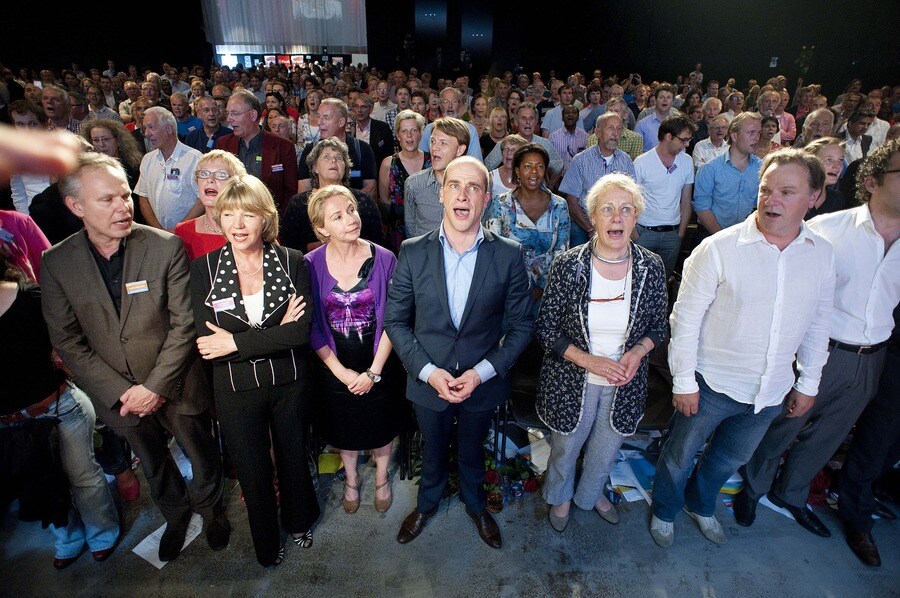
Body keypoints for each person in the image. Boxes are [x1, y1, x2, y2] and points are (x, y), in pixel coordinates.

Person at [41, 153, 229, 563]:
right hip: (119, 397)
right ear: (76, 207)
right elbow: (68, 341)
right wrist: (125, 392)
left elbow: (185, 324)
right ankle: (176, 516)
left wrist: (154, 387)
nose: (123, 207)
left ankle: (213, 512)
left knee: (201, 454)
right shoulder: (56, 263)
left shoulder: (165, 247)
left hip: (177, 384)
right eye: (107, 200)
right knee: (153, 464)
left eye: (125, 196)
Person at [650, 149, 834, 548]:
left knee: (726, 461)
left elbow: (819, 323)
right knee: (680, 456)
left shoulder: (822, 254)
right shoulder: (718, 248)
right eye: (766, 189)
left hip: (768, 393)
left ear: (815, 198)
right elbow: (684, 320)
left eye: (787, 192)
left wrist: (808, 383)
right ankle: (665, 509)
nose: (772, 201)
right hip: (710, 383)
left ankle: (700, 506)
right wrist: (683, 381)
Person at [736, 140, 900, 560]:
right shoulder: (830, 230)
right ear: (872, 181)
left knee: (827, 437)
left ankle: (791, 495)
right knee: (784, 426)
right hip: (821, 352)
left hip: (873, 357)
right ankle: (752, 491)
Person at [385, 156, 534, 549]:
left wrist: (482, 372)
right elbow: (395, 322)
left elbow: (522, 327)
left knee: (472, 453)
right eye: (455, 185)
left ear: (486, 198)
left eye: (473, 187)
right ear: (441, 192)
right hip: (428, 383)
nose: (463, 194)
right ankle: (426, 505)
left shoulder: (509, 254)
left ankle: (475, 504)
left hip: (481, 386)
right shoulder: (413, 252)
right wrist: (429, 373)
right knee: (432, 453)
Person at [190, 174, 319, 567]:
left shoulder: (293, 261)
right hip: (235, 388)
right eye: (228, 214)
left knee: (294, 456)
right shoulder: (204, 269)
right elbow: (207, 343)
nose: (238, 224)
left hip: (290, 382)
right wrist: (273, 334)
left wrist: (237, 342)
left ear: (266, 218)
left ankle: (299, 521)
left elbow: (300, 333)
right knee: (252, 468)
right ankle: (266, 541)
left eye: (248, 214)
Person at [536, 173, 667, 532]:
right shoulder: (568, 265)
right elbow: (546, 330)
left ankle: (590, 493)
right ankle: (561, 497)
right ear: (592, 217)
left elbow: (659, 327)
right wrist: (588, 360)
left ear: (636, 217)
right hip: (573, 379)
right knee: (566, 448)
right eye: (607, 209)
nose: (617, 217)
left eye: (626, 209)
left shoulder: (650, 267)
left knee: (605, 450)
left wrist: (638, 352)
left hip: (625, 381)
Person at [0, 251, 121, 570]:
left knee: (82, 476)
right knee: (37, 482)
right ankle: (68, 538)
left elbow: (72, 345)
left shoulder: (29, 298)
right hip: (9, 425)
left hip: (57, 408)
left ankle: (102, 532)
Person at [304, 185, 402, 515]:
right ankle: (351, 480)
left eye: (351, 209)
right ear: (321, 229)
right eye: (337, 216)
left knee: (380, 423)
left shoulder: (385, 258)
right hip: (334, 365)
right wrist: (341, 373)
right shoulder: (309, 264)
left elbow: (394, 317)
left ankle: (382, 478)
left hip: (380, 360)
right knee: (344, 427)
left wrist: (374, 370)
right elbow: (312, 326)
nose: (350, 218)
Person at [484, 143, 569, 308]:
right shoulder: (501, 204)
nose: (534, 172)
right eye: (527, 166)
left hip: (548, 290)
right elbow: (493, 250)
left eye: (540, 167)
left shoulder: (559, 205)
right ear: (517, 171)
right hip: (509, 289)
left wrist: (542, 289)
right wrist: (517, 289)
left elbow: (562, 254)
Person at [282, 138, 384, 253]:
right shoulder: (299, 203)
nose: (333, 161)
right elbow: (287, 246)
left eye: (339, 158)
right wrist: (315, 248)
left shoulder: (363, 200)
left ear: (345, 167)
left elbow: (379, 242)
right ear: (315, 167)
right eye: (326, 157)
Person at [633, 114, 697, 278]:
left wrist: (680, 234)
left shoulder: (687, 161)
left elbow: (686, 200)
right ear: (669, 137)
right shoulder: (641, 162)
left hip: (672, 234)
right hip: (644, 232)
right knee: (638, 278)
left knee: (664, 280)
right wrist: (635, 235)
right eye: (684, 140)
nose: (687, 144)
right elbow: (631, 200)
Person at [560, 112, 636, 246]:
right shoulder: (580, 160)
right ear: (597, 131)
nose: (615, 133)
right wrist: (591, 228)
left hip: (616, 223)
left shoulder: (626, 161)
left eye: (619, 129)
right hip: (584, 225)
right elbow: (571, 201)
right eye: (610, 128)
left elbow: (632, 198)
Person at [216, 90, 298, 214]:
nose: (229, 119)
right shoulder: (223, 144)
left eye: (234, 114)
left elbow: (290, 192)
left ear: (253, 115)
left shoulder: (283, 146)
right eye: (228, 114)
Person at [692, 112, 763, 236]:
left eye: (758, 133)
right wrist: (722, 238)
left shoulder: (762, 168)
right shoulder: (710, 169)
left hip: (745, 236)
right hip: (712, 235)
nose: (756, 138)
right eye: (751, 132)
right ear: (734, 136)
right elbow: (702, 207)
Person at [134, 106, 204, 231]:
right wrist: (158, 230)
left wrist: (179, 229)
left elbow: (203, 200)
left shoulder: (195, 159)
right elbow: (143, 197)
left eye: (151, 127)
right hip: (159, 236)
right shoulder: (147, 159)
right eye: (145, 128)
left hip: (190, 233)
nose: (146, 134)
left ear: (169, 128)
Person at [174, 150, 247, 260]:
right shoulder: (183, 231)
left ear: (236, 185)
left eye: (221, 175)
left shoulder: (252, 229)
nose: (210, 180)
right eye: (204, 174)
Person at [404, 117, 469, 237]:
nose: (435, 148)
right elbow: (411, 230)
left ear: (460, 149)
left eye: (443, 143)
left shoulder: (473, 187)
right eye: (433, 141)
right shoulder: (414, 184)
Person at [377, 110, 431, 253]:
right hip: (397, 232)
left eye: (414, 130)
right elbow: (384, 200)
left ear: (420, 133)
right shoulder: (388, 164)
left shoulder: (432, 161)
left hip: (428, 228)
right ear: (398, 135)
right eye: (404, 131)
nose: (409, 135)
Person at [801, 137, 846, 219]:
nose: (837, 166)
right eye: (829, 160)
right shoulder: (793, 195)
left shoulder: (837, 199)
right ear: (811, 161)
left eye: (841, 160)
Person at [489, 134, 527, 206]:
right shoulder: (491, 177)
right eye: (506, 149)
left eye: (513, 150)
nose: (509, 153)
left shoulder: (529, 177)